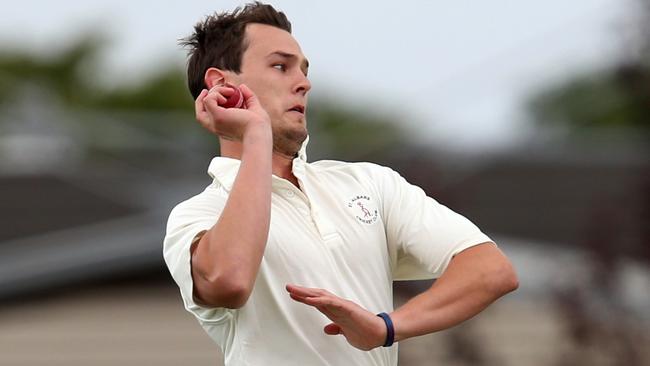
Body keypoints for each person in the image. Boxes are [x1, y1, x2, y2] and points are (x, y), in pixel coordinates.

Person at [163, 2, 518, 365]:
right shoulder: (195, 217)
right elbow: (230, 281)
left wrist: (385, 328)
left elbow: (491, 270)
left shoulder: (369, 183)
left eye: (303, 70)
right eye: (280, 66)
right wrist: (255, 134)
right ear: (221, 84)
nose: (304, 82)